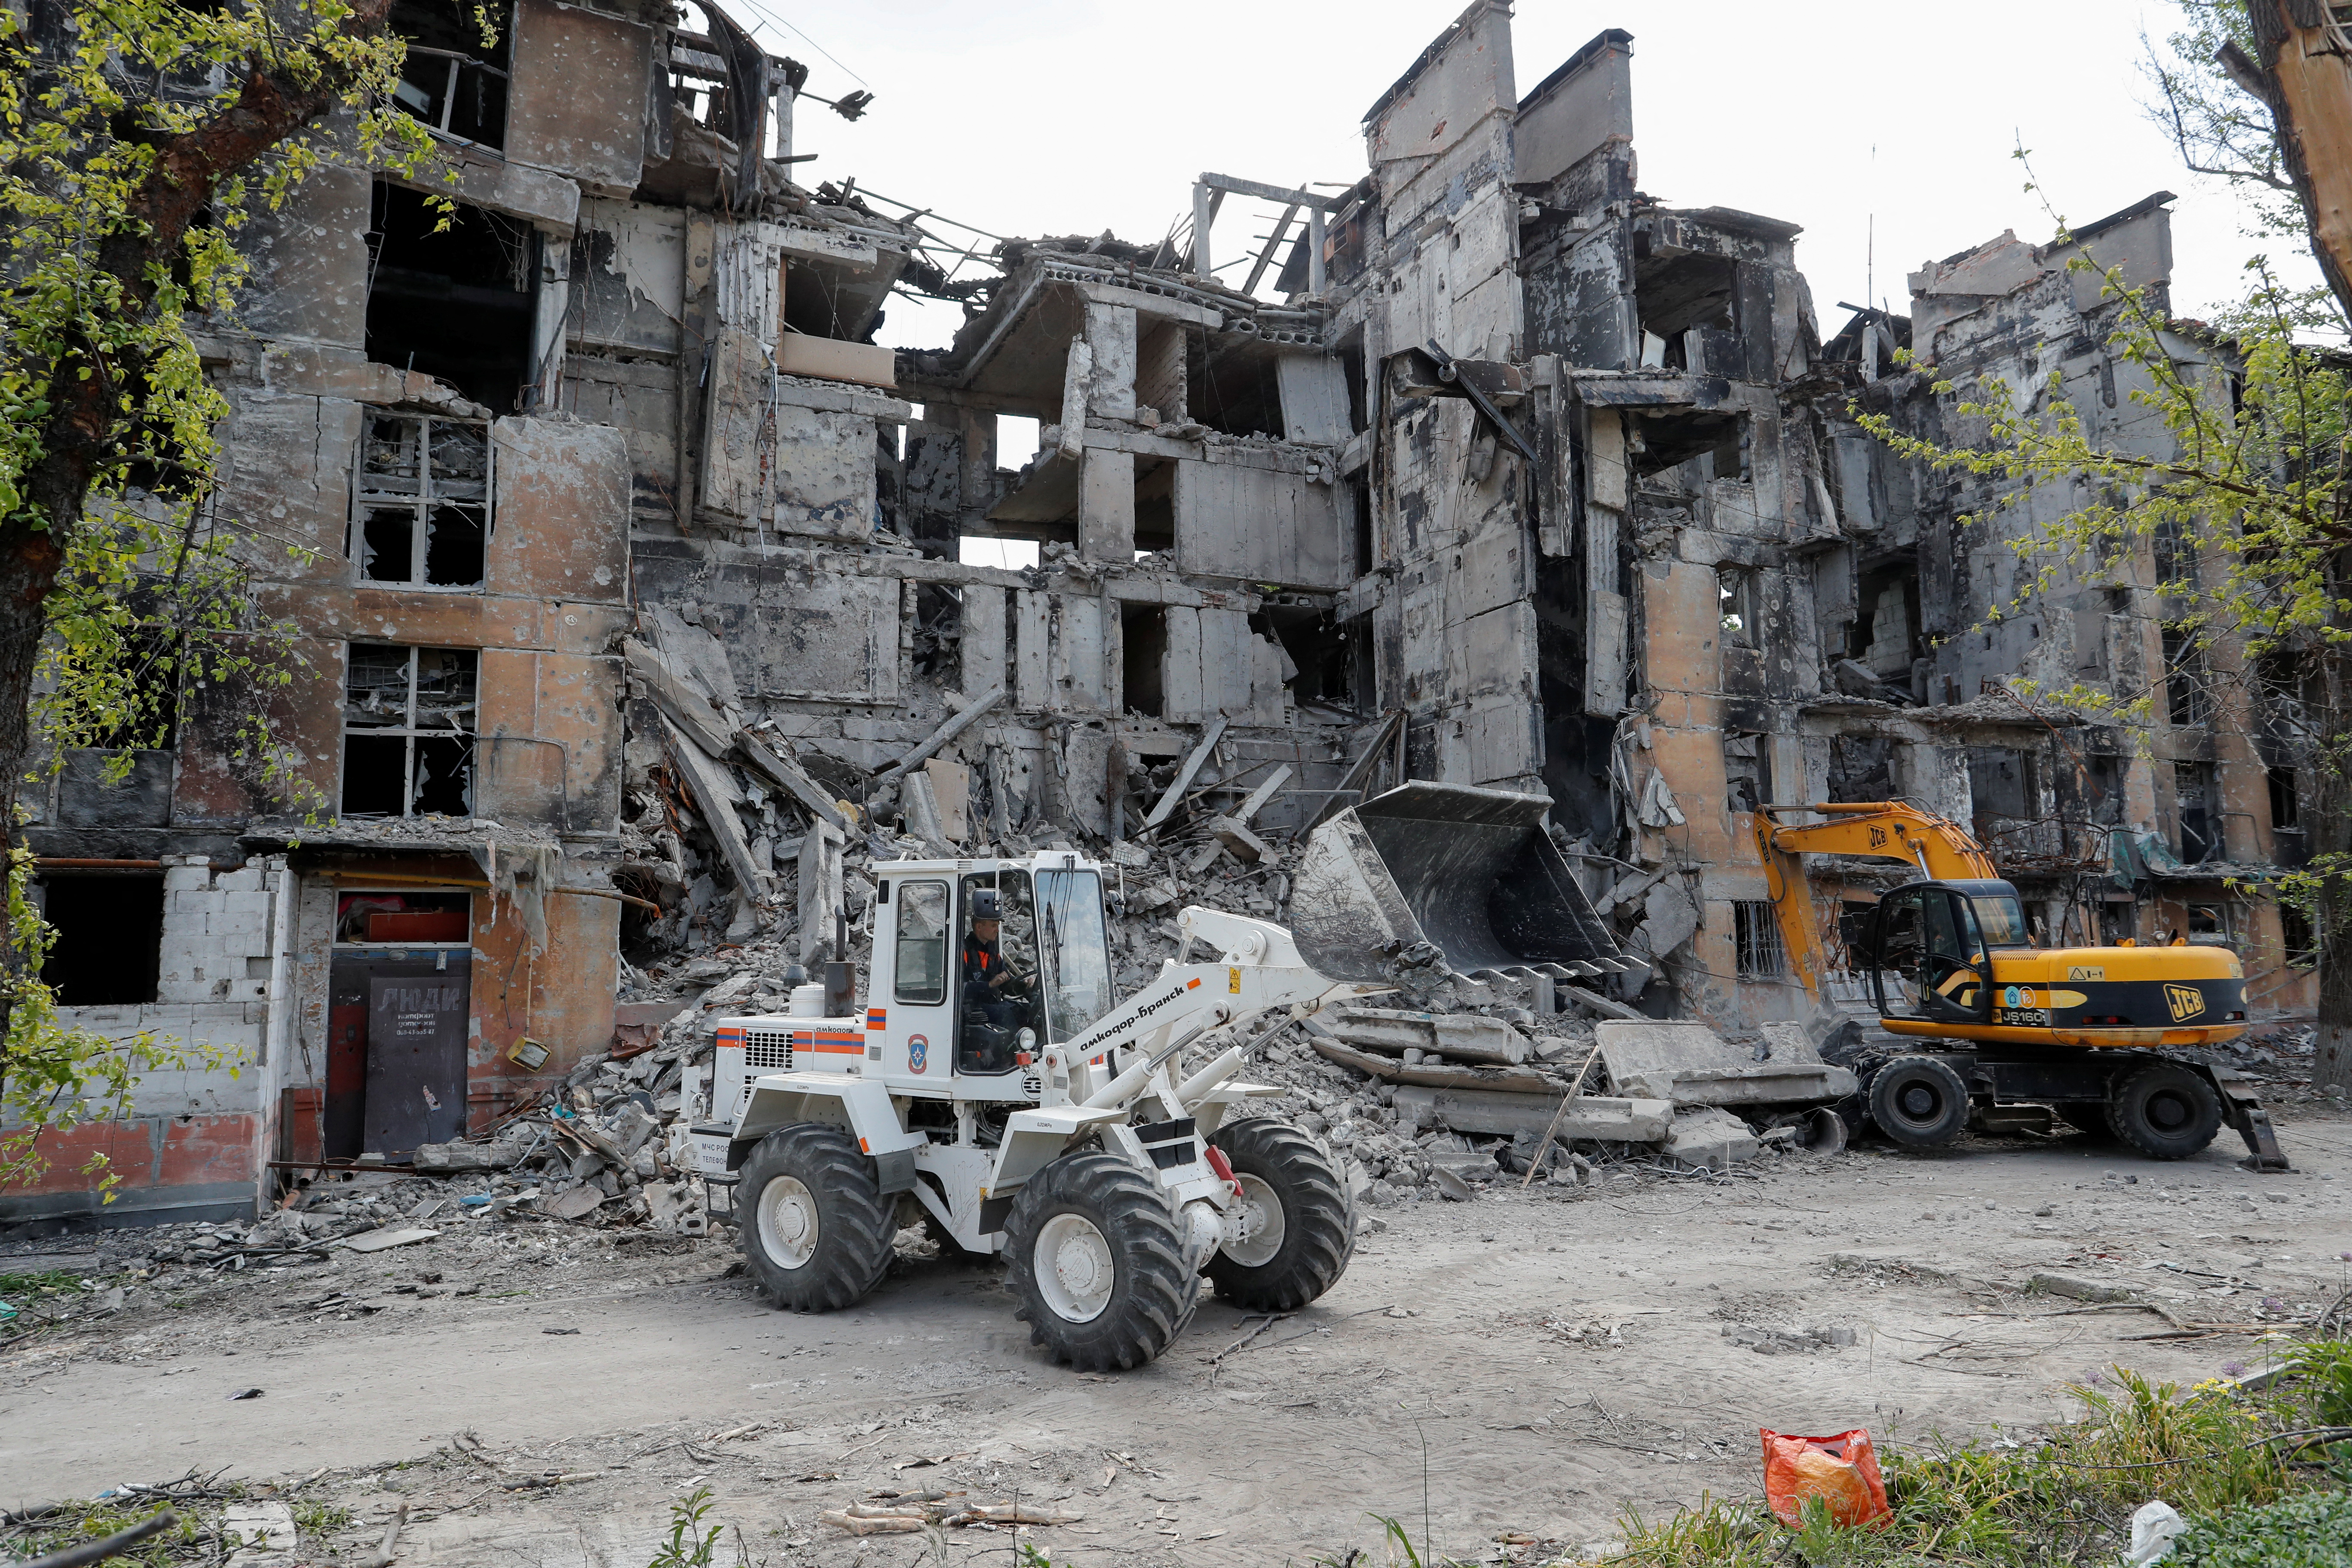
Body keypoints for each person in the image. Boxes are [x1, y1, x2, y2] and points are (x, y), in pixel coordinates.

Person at [960, 888, 1036, 1068]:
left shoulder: (992, 951)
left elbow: (1005, 983)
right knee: (1003, 1013)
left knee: (1024, 1010)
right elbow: (960, 988)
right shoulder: (963, 951)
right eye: (993, 926)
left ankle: (1031, 1050)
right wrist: (989, 985)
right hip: (971, 1009)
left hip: (991, 1004)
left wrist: (1021, 985)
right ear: (980, 927)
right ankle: (1010, 1060)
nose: (997, 930)